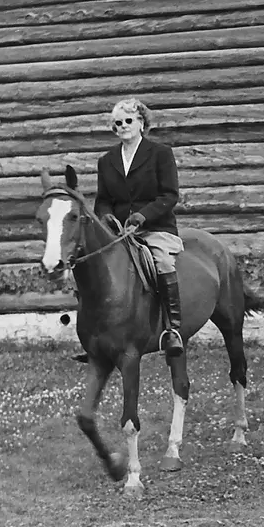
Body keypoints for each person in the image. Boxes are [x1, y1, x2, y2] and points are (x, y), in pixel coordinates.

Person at [94, 98, 186, 357]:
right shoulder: (106, 161)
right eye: (117, 123)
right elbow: (103, 200)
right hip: (119, 233)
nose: (123, 126)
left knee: (162, 263)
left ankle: (173, 329)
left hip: (155, 228)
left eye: (128, 121)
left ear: (141, 123)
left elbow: (169, 195)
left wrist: (142, 217)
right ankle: (97, 334)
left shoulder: (160, 154)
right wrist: (108, 219)